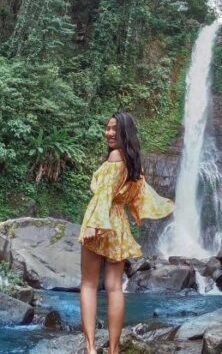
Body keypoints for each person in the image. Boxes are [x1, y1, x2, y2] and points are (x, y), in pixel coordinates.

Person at [78, 111, 174, 354]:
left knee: (89, 285)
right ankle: (114, 349)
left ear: (124, 132)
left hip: (100, 221)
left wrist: (93, 225)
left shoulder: (114, 157)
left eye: (114, 129)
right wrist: (158, 207)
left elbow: (103, 195)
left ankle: (90, 348)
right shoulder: (133, 162)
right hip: (119, 224)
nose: (109, 133)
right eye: (108, 128)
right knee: (114, 287)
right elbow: (140, 194)